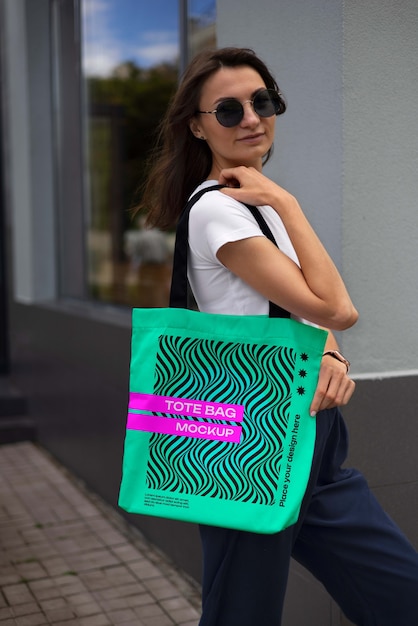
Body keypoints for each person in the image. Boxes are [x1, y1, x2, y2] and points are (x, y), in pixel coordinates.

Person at [138, 47, 418, 626]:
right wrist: (287, 202)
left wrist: (332, 357)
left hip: (310, 432)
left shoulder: (254, 205)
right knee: (243, 610)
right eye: (228, 109)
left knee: (398, 590)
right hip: (246, 438)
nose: (251, 118)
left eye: (261, 102)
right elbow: (337, 308)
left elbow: (310, 319)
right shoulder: (220, 211)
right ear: (197, 125)